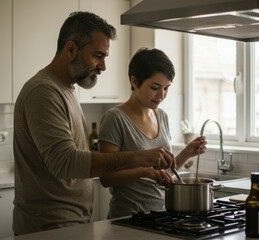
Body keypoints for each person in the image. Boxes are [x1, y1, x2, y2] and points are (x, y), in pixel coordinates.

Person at [12, 12, 176, 235]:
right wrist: (139, 158)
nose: (103, 66)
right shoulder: (44, 92)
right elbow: (64, 162)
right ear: (71, 49)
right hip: (49, 226)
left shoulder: (65, 89)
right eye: (98, 55)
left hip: (70, 222)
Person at [98, 48, 207, 219]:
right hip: (128, 219)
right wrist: (144, 171)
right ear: (134, 81)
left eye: (166, 88)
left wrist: (186, 153)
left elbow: (165, 173)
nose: (161, 95)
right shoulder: (115, 119)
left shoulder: (161, 116)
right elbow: (106, 177)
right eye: (155, 87)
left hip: (162, 216)